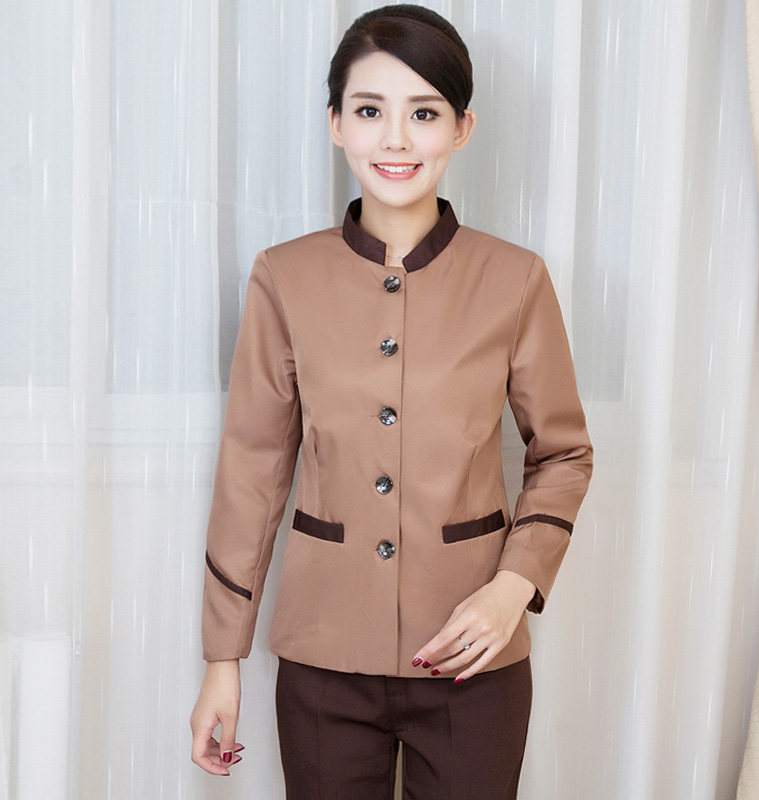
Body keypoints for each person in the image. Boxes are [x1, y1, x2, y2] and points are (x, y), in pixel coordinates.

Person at [190, 4, 593, 797]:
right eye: (371, 111)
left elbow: (564, 455)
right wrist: (221, 659)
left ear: (462, 128)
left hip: (474, 660)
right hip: (323, 661)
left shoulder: (515, 281)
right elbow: (252, 471)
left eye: (425, 114)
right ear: (337, 123)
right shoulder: (284, 277)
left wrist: (512, 588)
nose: (396, 139)